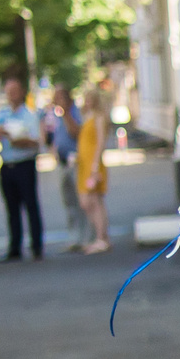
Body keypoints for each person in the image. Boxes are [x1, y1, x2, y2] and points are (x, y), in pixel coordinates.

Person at [0, 75, 45, 261]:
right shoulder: (2, 115)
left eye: (15, 92)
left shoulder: (29, 115)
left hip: (24, 164)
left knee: (31, 205)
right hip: (7, 165)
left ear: (21, 93)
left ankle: (36, 245)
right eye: (9, 92)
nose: (12, 95)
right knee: (11, 208)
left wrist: (16, 140)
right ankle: (15, 246)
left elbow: (36, 141)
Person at [43, 84, 87, 247]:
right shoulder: (55, 115)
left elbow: (75, 132)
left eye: (60, 97)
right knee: (68, 202)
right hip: (61, 162)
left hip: (75, 160)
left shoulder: (73, 112)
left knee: (81, 201)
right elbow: (51, 136)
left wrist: (66, 113)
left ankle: (86, 236)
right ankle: (74, 237)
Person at [75, 86, 111, 254]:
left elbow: (100, 141)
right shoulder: (86, 116)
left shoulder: (99, 117)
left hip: (93, 164)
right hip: (84, 163)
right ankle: (98, 235)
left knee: (94, 200)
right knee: (86, 201)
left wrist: (95, 165)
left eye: (90, 99)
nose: (87, 102)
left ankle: (102, 238)